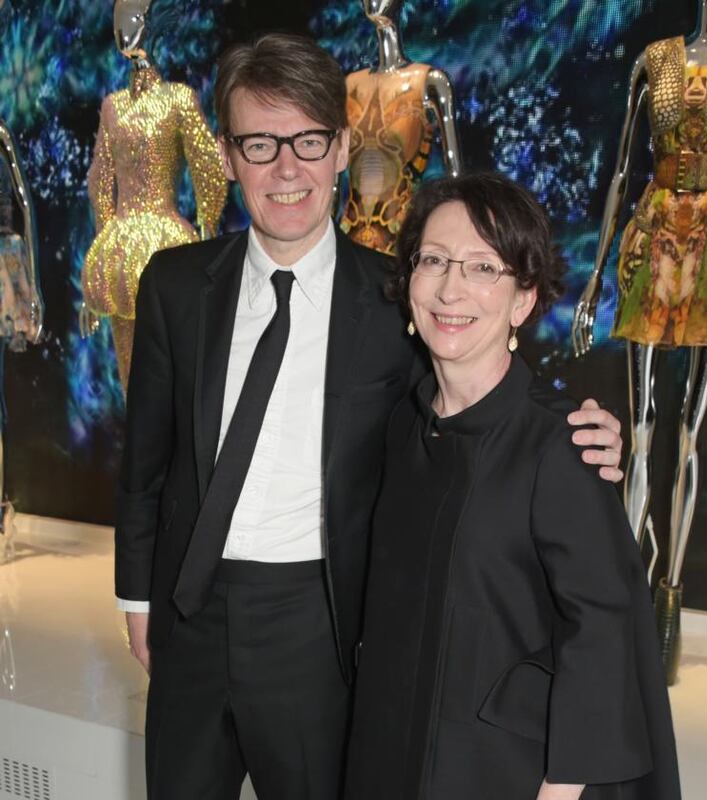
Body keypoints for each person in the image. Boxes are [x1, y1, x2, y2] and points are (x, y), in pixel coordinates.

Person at [115, 34, 625, 800]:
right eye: (260, 143)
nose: (287, 169)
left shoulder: (397, 297)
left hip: (320, 627)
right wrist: (137, 596)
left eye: (309, 141)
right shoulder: (175, 287)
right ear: (225, 156)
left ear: (343, 148)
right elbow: (144, 456)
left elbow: (473, 372)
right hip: (189, 613)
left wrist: (577, 426)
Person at [344, 173, 681, 800]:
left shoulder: (562, 444)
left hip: (502, 772)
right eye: (435, 261)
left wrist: (560, 788)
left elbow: (603, 633)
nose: (451, 288)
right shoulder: (403, 427)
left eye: (483, 268)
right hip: (390, 753)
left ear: (523, 300)